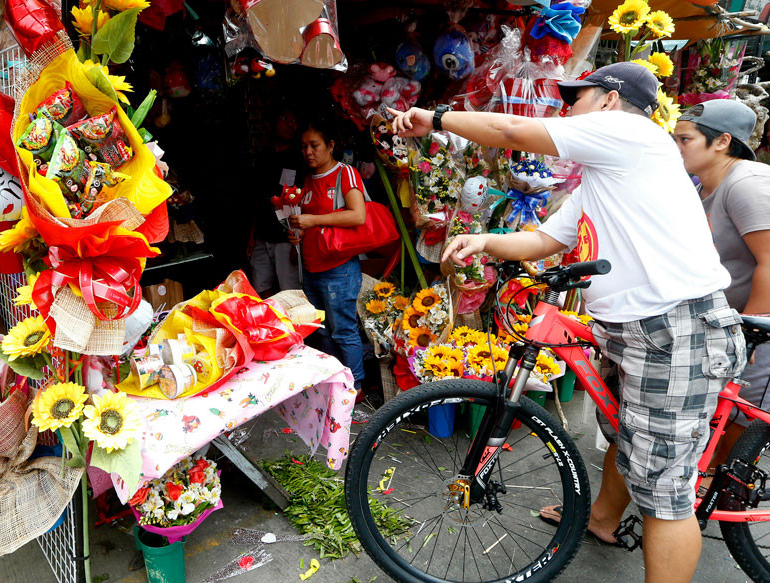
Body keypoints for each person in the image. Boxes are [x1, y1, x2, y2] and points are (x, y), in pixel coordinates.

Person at [389, 61, 746, 583]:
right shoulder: (600, 180)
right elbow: (544, 241)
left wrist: (437, 118)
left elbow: (512, 131)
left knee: (665, 492)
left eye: (576, 98)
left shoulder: (634, 133)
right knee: (627, 440)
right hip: (635, 330)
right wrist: (484, 241)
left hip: (674, 329)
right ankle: (601, 520)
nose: (566, 109)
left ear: (608, 101)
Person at [673, 99, 770, 474]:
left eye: (685, 139)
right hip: (729, 327)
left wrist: (750, 331)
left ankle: (722, 504)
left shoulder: (747, 183)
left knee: (743, 423)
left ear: (721, 142)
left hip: (757, 332)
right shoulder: (703, 187)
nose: (676, 147)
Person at [288, 119, 367, 390]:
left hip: (339, 268)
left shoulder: (345, 174)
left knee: (343, 330)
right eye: (304, 146)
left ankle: (355, 386)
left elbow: (358, 215)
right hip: (311, 268)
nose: (308, 152)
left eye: (314, 145)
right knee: (321, 331)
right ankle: (334, 383)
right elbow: (307, 222)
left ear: (330, 146)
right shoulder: (307, 179)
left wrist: (313, 221)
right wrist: (299, 233)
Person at [247, 109, 302, 298]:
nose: (290, 125)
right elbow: (257, 199)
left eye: (294, 121)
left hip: (286, 237)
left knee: (290, 291)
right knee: (260, 288)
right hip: (263, 235)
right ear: (272, 124)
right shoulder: (264, 157)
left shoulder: (299, 158)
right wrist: (252, 236)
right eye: (285, 118)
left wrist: (299, 238)